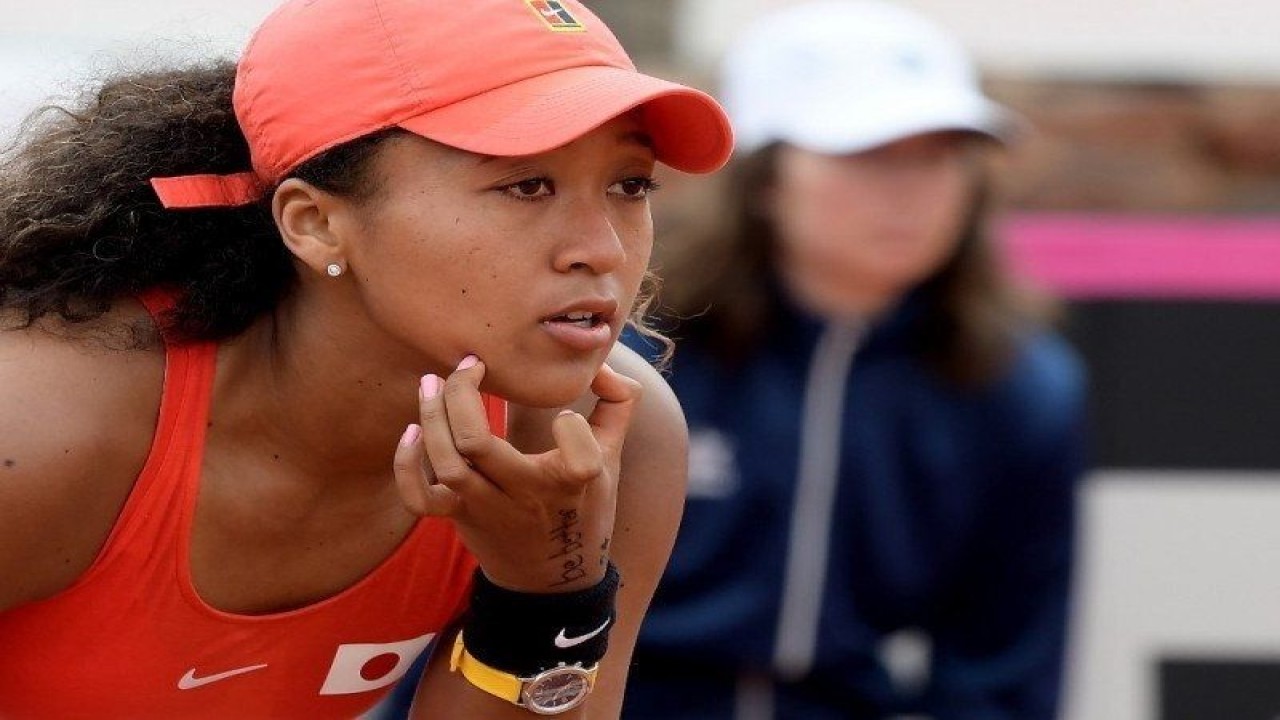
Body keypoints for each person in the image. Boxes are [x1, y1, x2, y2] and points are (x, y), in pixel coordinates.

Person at [0, 0, 733, 717]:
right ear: (316, 224)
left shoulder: (599, 443)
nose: (602, 248)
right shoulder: (38, 429)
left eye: (630, 185)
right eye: (525, 184)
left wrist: (548, 592)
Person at [622, 2, 1087, 719]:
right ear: (766, 180)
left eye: (939, 156)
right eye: (867, 154)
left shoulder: (1018, 385)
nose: (910, 193)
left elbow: (1004, 672)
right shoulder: (630, 348)